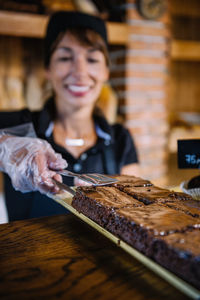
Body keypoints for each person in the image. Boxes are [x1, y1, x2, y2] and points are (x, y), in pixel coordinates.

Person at [0, 11, 139, 221]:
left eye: (92, 59)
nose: (80, 71)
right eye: (65, 57)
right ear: (48, 68)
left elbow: (133, 214)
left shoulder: (121, 139)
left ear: (106, 72)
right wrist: (6, 147)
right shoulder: (17, 124)